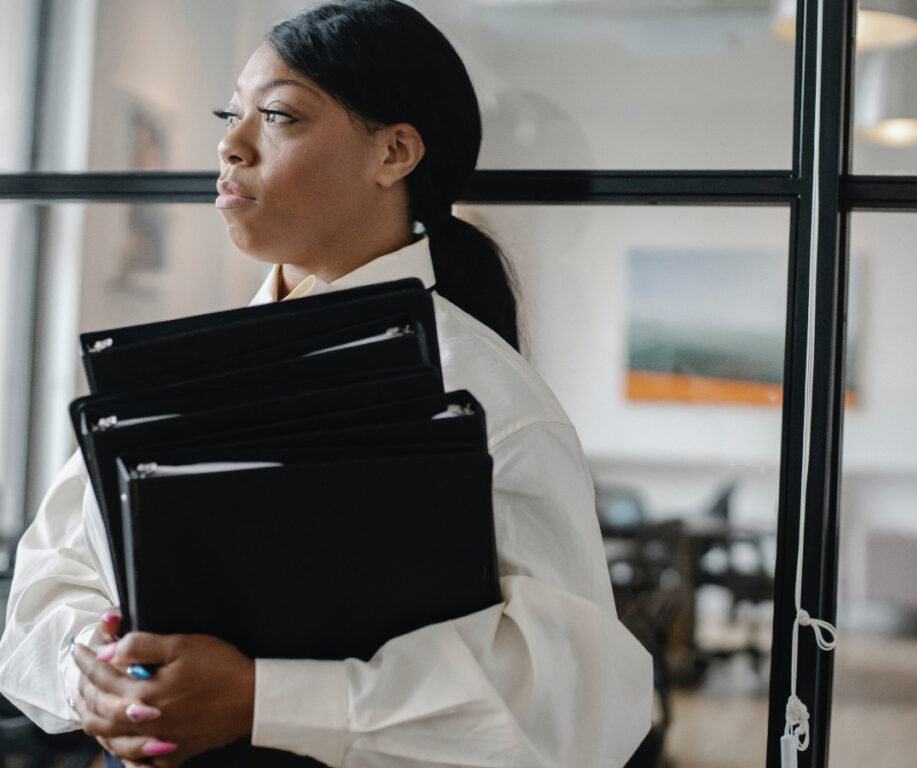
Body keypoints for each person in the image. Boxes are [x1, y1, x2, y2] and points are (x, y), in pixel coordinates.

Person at [0, 1, 653, 766]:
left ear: (394, 153)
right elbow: (46, 590)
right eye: (230, 113)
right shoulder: (176, 372)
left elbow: (571, 708)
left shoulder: (492, 402)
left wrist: (262, 699)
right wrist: (101, 676)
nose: (230, 145)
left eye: (277, 116)